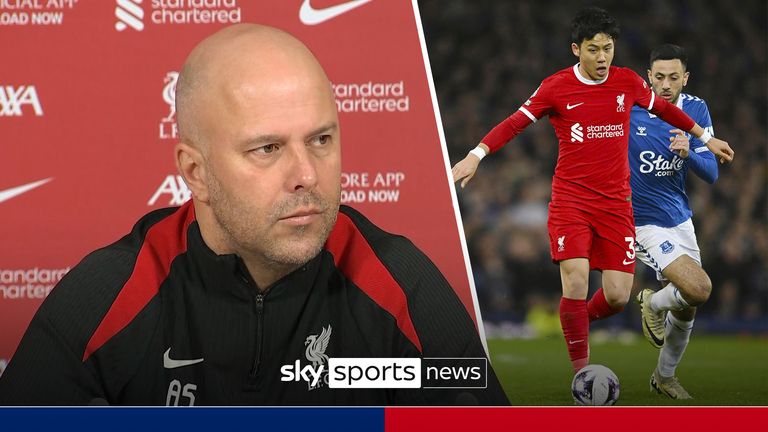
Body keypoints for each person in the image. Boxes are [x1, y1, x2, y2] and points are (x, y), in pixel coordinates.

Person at [0, 24, 508, 406]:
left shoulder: (399, 280)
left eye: (321, 140)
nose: (307, 173)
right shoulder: (110, 290)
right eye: (267, 148)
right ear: (195, 172)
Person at [451, 7, 734, 375]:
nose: (602, 57)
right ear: (576, 49)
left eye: (608, 48)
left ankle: (573, 324)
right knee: (577, 279)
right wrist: (476, 154)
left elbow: (666, 110)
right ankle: (582, 374)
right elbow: (514, 123)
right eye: (593, 49)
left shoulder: (627, 82)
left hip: (617, 206)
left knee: (617, 296)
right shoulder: (555, 87)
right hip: (572, 202)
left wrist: (706, 139)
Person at [631, 44, 719, 400]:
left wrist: (689, 153)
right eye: (659, 77)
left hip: (679, 218)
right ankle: (651, 303)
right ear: (648, 76)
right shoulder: (632, 107)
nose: (665, 85)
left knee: (688, 302)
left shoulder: (695, 109)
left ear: (685, 78)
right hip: (641, 222)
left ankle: (664, 377)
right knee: (699, 288)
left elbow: (711, 172)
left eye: (673, 77)